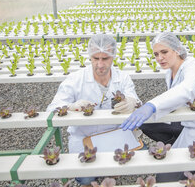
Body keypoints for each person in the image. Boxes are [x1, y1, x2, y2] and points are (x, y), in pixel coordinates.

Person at [120, 32, 195, 182]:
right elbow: (175, 99)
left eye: (164, 52)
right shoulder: (169, 71)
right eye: (156, 54)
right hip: (188, 122)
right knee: (146, 123)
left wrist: (152, 105)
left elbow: (187, 89)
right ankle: (179, 144)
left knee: (165, 179)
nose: (159, 58)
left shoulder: (193, 68)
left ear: (177, 50)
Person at [47, 34, 139, 187]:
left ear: (113, 57)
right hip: (84, 137)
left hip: (113, 135)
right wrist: (71, 107)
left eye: (105, 58)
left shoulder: (122, 78)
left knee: (121, 165)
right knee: (86, 179)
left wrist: (132, 102)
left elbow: (136, 100)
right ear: (90, 57)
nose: (100, 64)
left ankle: (111, 174)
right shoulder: (76, 79)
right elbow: (52, 108)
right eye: (96, 59)